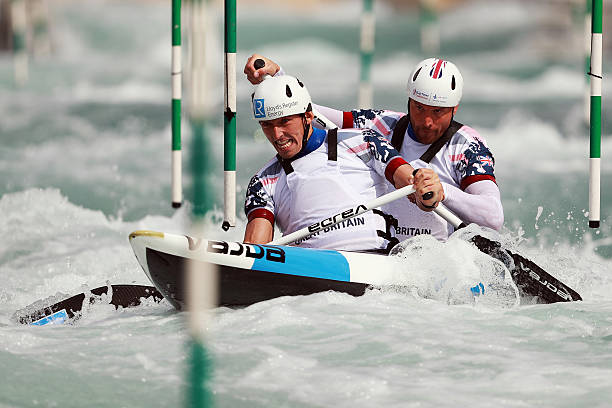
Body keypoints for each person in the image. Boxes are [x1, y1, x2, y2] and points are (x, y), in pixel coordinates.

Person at [244, 55, 503, 242]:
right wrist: (278, 80)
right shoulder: (381, 124)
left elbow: (493, 217)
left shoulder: (468, 146)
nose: (426, 121)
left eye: (438, 112)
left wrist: (444, 191)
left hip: (435, 252)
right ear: (409, 100)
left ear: (454, 109)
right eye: (419, 107)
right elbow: (309, 115)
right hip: (386, 249)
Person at [243, 73, 443, 251]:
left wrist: (427, 190)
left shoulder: (363, 140)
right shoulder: (262, 182)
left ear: (308, 116)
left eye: (284, 122)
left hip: (375, 264)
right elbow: (253, 254)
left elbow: (410, 183)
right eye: (267, 125)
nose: (277, 135)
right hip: (310, 276)